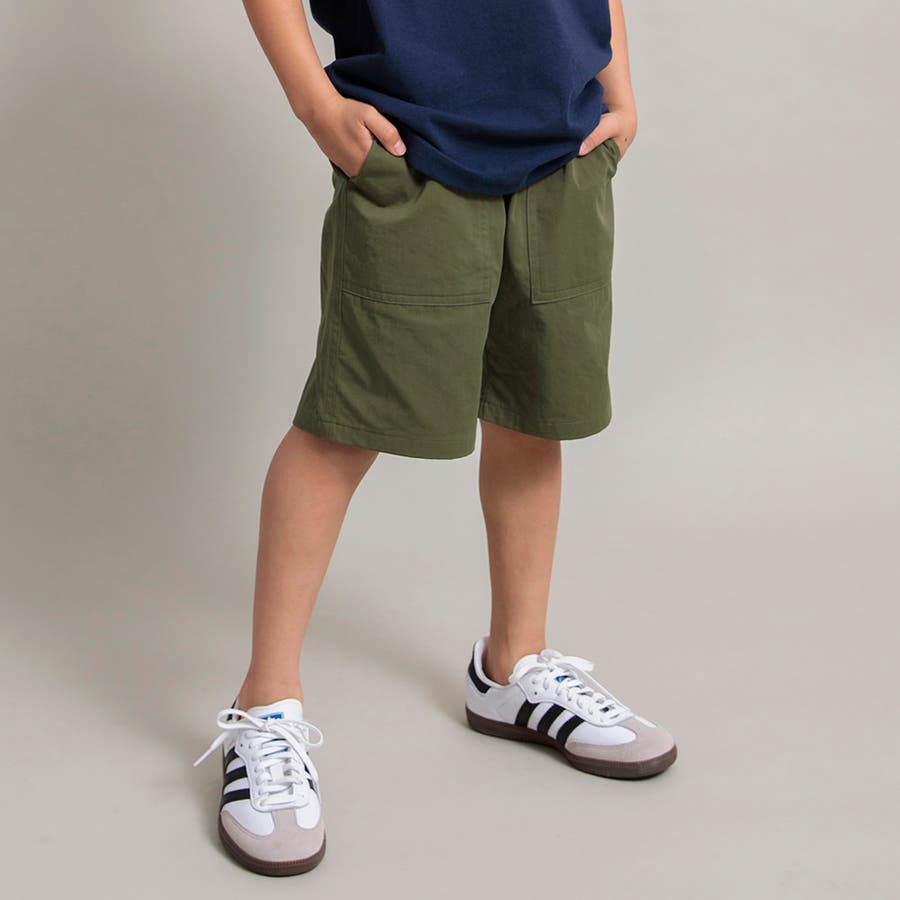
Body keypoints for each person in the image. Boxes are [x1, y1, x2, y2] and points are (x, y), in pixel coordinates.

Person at [192, 0, 676, 877]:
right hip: (412, 153)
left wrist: (621, 92)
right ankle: (265, 708)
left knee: (533, 413)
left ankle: (513, 668)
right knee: (343, 427)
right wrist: (315, 104)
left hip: (564, 149)